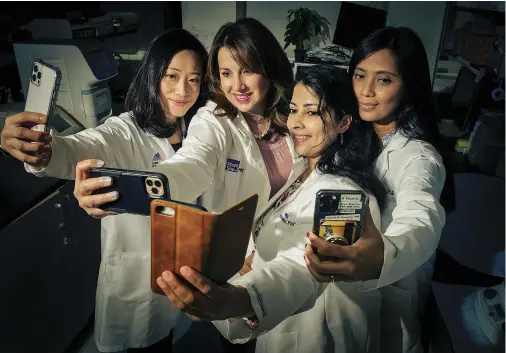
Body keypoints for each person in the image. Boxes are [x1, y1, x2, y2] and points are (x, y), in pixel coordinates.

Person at [72, 18, 295, 353]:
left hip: (290, 265)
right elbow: (191, 164)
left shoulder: (296, 116)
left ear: (269, 66)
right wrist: (47, 153)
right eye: (226, 73)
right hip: (242, 268)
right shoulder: (212, 119)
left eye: (247, 69)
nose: (237, 84)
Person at [0, 29, 208, 353]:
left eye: (193, 79)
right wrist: (42, 152)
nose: (183, 90)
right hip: (139, 282)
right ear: (153, 75)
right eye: (172, 75)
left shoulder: (200, 131)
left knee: (168, 339)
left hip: (183, 275)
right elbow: (79, 147)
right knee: (146, 343)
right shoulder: (125, 131)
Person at [155, 65, 386, 353]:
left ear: (344, 122)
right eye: (293, 110)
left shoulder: (344, 194)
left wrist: (241, 299)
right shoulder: (303, 170)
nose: (296, 123)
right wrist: (257, 257)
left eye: (312, 112)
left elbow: (307, 268)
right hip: (283, 327)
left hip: (319, 336)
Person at [304, 27, 446, 353]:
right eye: (359, 76)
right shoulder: (354, 138)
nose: (366, 91)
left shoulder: (419, 157)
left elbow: (421, 215)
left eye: (384, 80)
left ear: (408, 85)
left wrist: (382, 256)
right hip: (344, 299)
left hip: (393, 296)